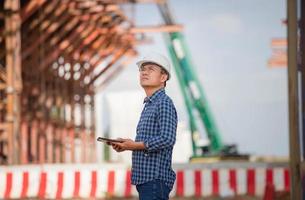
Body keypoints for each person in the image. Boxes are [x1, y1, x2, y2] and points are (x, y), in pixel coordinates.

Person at [109, 52, 178, 200]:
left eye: (151, 69)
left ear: (163, 77)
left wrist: (133, 146)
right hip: (146, 179)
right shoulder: (149, 105)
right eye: (142, 69)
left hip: (155, 180)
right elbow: (150, 139)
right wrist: (127, 144)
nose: (144, 72)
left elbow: (167, 139)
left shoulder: (163, 103)